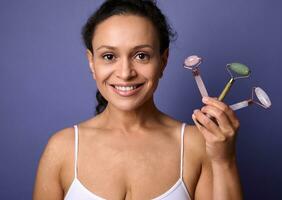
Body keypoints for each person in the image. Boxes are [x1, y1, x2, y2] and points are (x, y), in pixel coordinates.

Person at [33, 0, 242, 199]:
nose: (125, 73)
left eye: (141, 55)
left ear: (163, 60)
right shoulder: (62, 148)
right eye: (109, 56)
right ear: (91, 62)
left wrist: (224, 161)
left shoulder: (196, 145)